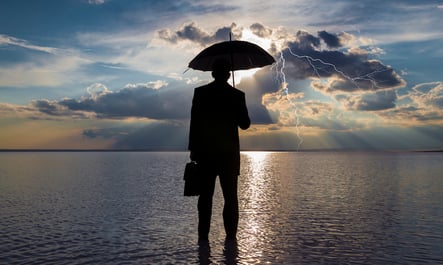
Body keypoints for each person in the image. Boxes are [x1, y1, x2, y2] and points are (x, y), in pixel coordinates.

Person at [188, 58, 251, 242]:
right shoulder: (237, 95)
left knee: (205, 198)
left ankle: (203, 238)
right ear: (228, 74)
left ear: (213, 73)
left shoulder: (200, 93)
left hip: (205, 154)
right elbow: (245, 124)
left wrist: (193, 150)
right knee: (231, 198)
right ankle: (231, 239)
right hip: (229, 156)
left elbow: (195, 124)